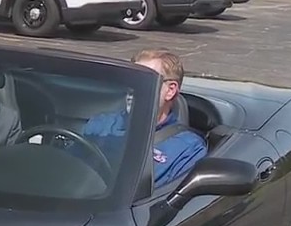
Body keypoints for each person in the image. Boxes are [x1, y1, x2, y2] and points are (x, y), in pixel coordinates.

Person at [80, 48, 206, 189]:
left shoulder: (187, 149)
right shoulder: (101, 125)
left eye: (142, 83)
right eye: (129, 81)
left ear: (170, 91)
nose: (131, 90)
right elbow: (69, 171)